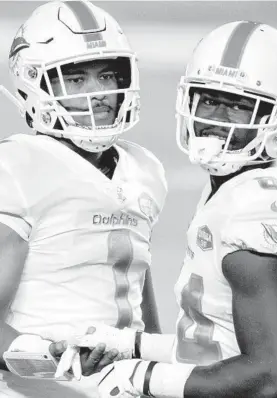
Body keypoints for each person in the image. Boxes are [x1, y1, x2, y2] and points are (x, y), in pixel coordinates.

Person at [64, 21, 277, 398]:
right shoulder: (236, 191)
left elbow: (268, 379)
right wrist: (131, 347)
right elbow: (217, 348)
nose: (217, 119)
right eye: (210, 100)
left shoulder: (255, 211)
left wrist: (143, 377)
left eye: (239, 105)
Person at [0, 0, 166, 397]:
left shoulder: (144, 168)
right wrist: (44, 355)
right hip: (38, 385)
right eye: (75, 80)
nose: (100, 94)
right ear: (33, 85)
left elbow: (137, 288)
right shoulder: (18, 166)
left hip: (125, 379)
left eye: (108, 75)